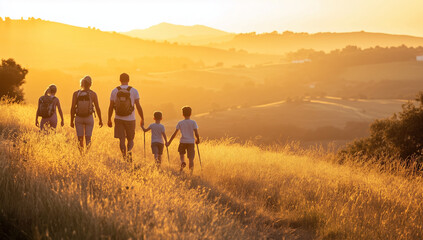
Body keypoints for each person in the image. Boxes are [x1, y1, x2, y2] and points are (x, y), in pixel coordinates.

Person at [108, 73, 144, 162]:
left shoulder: (114, 91)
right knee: (130, 139)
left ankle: (124, 157)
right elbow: (138, 106)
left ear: (120, 80)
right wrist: (142, 118)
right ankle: (129, 152)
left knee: (122, 139)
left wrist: (109, 119)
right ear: (128, 80)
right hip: (130, 119)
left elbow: (111, 106)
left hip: (118, 118)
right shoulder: (134, 91)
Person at [70, 76, 103, 152]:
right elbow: (97, 108)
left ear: (81, 83)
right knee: (88, 138)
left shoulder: (76, 94)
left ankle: (82, 156)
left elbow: (72, 108)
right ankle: (87, 153)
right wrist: (100, 120)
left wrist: (71, 121)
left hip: (78, 118)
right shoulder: (93, 94)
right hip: (89, 118)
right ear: (90, 84)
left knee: (80, 138)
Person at [167, 106, 200, 173]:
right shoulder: (193, 122)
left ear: (182, 114)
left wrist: (169, 142)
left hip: (183, 141)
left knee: (182, 154)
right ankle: (191, 173)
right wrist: (198, 139)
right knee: (191, 159)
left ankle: (182, 162)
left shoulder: (180, 123)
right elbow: (196, 132)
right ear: (190, 113)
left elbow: (174, 134)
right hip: (191, 142)